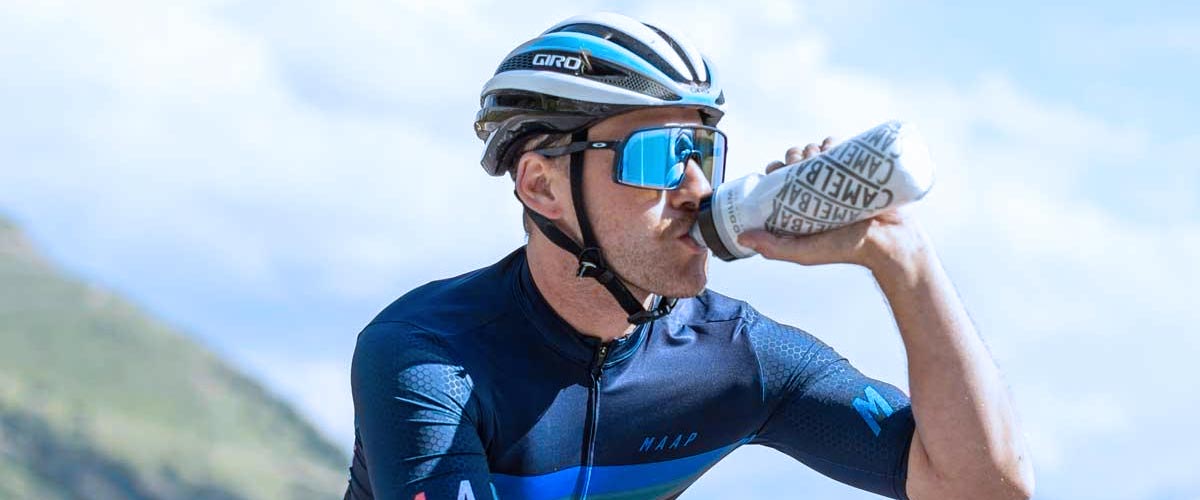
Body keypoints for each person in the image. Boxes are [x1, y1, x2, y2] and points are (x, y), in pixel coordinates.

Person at [344, 12, 1033, 500]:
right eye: (659, 156)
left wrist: (901, 259)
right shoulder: (426, 355)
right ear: (541, 185)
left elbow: (984, 491)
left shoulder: (741, 357)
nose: (698, 188)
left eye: (702, 152)